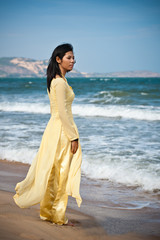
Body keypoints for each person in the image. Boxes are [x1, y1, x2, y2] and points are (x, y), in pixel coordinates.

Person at [13, 43, 82, 226]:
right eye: (69, 57)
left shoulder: (59, 80)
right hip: (60, 132)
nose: (73, 61)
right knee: (60, 173)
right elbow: (62, 113)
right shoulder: (59, 82)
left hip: (55, 129)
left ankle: (48, 212)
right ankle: (58, 216)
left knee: (54, 173)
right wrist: (73, 136)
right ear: (58, 59)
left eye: (73, 57)